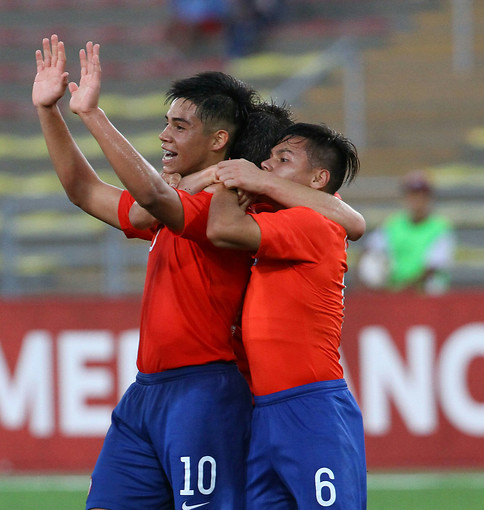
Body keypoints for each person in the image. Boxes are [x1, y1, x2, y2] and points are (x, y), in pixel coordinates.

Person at [33, 35, 364, 510]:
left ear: (220, 141)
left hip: (204, 393)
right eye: (166, 123)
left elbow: (153, 196)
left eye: (179, 126)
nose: (165, 135)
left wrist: (91, 114)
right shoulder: (181, 209)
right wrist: (49, 111)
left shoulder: (220, 213)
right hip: (146, 391)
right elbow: (84, 191)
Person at [206, 122, 367, 509]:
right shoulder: (293, 222)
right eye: (269, 157)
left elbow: (222, 226)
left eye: (283, 158)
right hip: (268, 410)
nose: (266, 164)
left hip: (311, 409)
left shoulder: (313, 223)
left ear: (318, 178)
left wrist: (233, 174)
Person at [358, 170, 455, 294]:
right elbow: (368, 249)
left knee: (432, 285)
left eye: (421, 194)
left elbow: (433, 268)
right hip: (395, 290)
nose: (417, 199)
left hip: (425, 293)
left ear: (429, 197)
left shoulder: (441, 228)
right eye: (413, 194)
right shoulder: (393, 225)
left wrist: (404, 288)